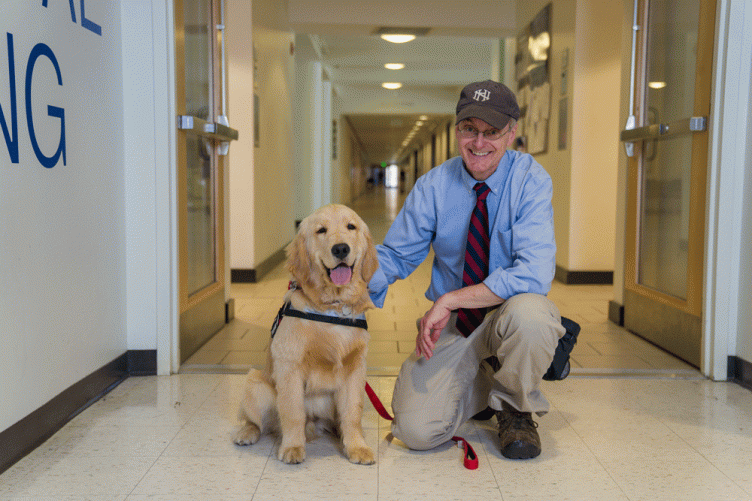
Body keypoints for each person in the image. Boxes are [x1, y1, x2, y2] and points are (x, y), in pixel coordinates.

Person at [368, 80, 565, 460]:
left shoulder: (531, 181)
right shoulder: (433, 187)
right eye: (469, 130)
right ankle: (483, 378)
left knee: (533, 316)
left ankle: (515, 409)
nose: (479, 143)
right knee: (415, 431)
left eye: (492, 132)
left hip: (510, 313)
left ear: (511, 134)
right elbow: (394, 255)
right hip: (457, 324)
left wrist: (450, 298)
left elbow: (534, 273)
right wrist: (333, 279)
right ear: (457, 130)